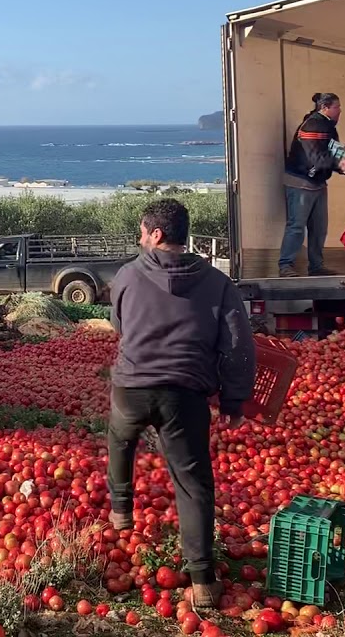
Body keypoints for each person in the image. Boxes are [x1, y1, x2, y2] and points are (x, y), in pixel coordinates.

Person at [107, 198, 256, 608]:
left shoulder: (127, 275)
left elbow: (118, 321)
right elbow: (238, 346)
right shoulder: (216, 283)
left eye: (142, 231)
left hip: (133, 385)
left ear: (155, 235)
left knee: (120, 437)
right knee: (192, 484)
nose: (140, 239)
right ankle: (203, 580)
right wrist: (234, 399)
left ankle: (121, 508)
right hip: (185, 393)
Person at [279, 93, 345, 278]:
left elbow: (332, 152)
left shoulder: (327, 126)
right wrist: (340, 165)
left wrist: (344, 167)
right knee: (296, 226)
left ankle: (316, 266)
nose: (340, 111)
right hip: (301, 182)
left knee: (319, 228)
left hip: (318, 183)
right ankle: (285, 265)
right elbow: (316, 157)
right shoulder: (313, 125)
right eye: (337, 107)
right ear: (325, 108)